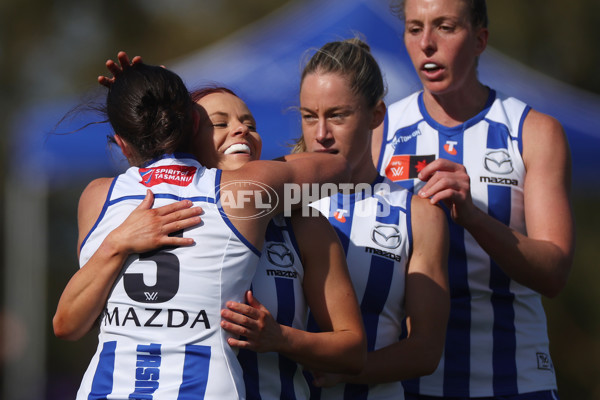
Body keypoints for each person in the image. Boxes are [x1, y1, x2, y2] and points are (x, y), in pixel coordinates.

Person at [53, 59, 352, 399]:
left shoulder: (97, 197)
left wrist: (116, 243)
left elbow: (68, 325)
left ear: (122, 143)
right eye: (220, 123)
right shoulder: (242, 193)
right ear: (192, 125)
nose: (239, 130)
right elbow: (338, 169)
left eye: (247, 123)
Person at [372, 0, 575, 398]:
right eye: (415, 29)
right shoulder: (379, 132)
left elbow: (554, 272)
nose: (427, 43)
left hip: (515, 380)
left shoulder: (532, 132)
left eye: (445, 27)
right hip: (408, 385)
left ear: (480, 39)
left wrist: (474, 217)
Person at [270, 37, 450, 399]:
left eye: (337, 115)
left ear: (376, 115)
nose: (321, 134)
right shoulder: (272, 201)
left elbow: (426, 351)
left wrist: (351, 370)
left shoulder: (417, 214)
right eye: (309, 117)